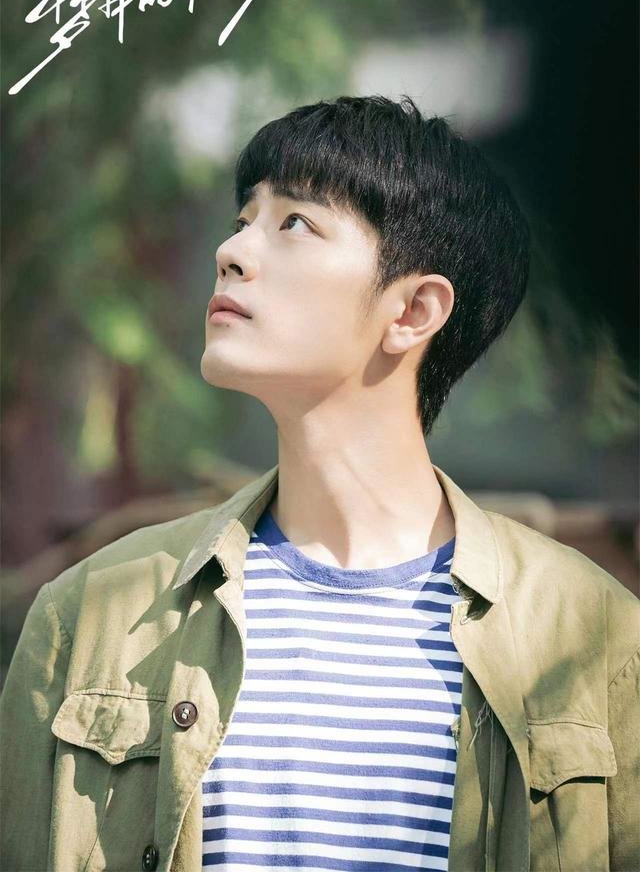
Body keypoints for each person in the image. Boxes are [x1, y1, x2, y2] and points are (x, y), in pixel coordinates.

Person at [1, 95, 638, 872]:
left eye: (294, 222)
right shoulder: (90, 613)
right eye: (243, 218)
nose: (232, 250)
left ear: (414, 310)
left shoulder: (598, 635)